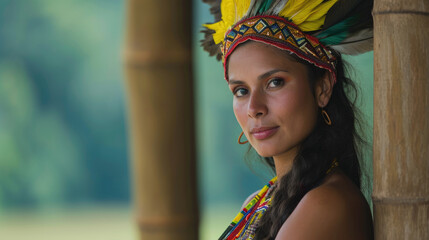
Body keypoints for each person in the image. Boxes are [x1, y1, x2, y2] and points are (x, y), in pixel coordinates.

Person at [201, 0, 374, 239]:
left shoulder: (327, 204)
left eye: (274, 82)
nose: (254, 108)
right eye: (241, 90)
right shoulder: (258, 202)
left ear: (322, 88)